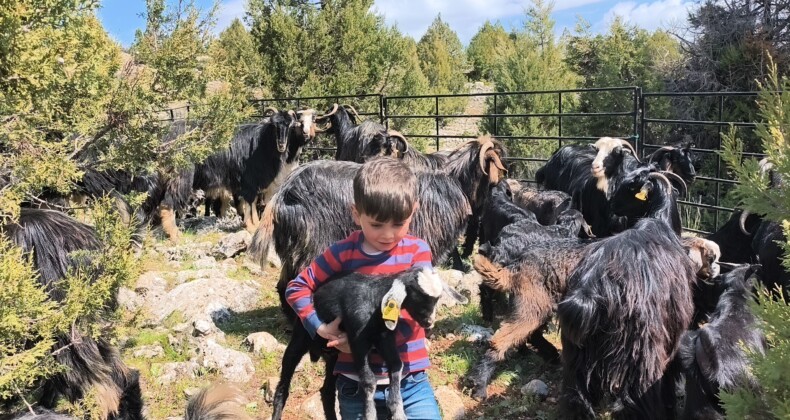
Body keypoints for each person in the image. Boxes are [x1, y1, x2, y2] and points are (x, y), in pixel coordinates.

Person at [285, 157, 442, 419]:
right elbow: (297, 288)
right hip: (354, 381)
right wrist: (320, 327)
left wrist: (363, 342)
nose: (388, 234)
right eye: (377, 224)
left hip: (409, 380)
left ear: (413, 211)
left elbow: (416, 312)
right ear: (356, 214)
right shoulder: (342, 253)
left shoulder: (417, 253)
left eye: (398, 223)